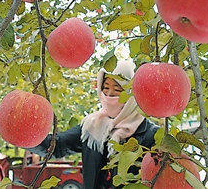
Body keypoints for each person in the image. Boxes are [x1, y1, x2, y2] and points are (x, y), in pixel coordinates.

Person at [29, 60, 160, 189]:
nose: (109, 94)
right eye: (106, 88)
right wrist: (22, 134)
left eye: (117, 89)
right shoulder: (92, 126)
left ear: (130, 92)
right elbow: (55, 147)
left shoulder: (150, 134)